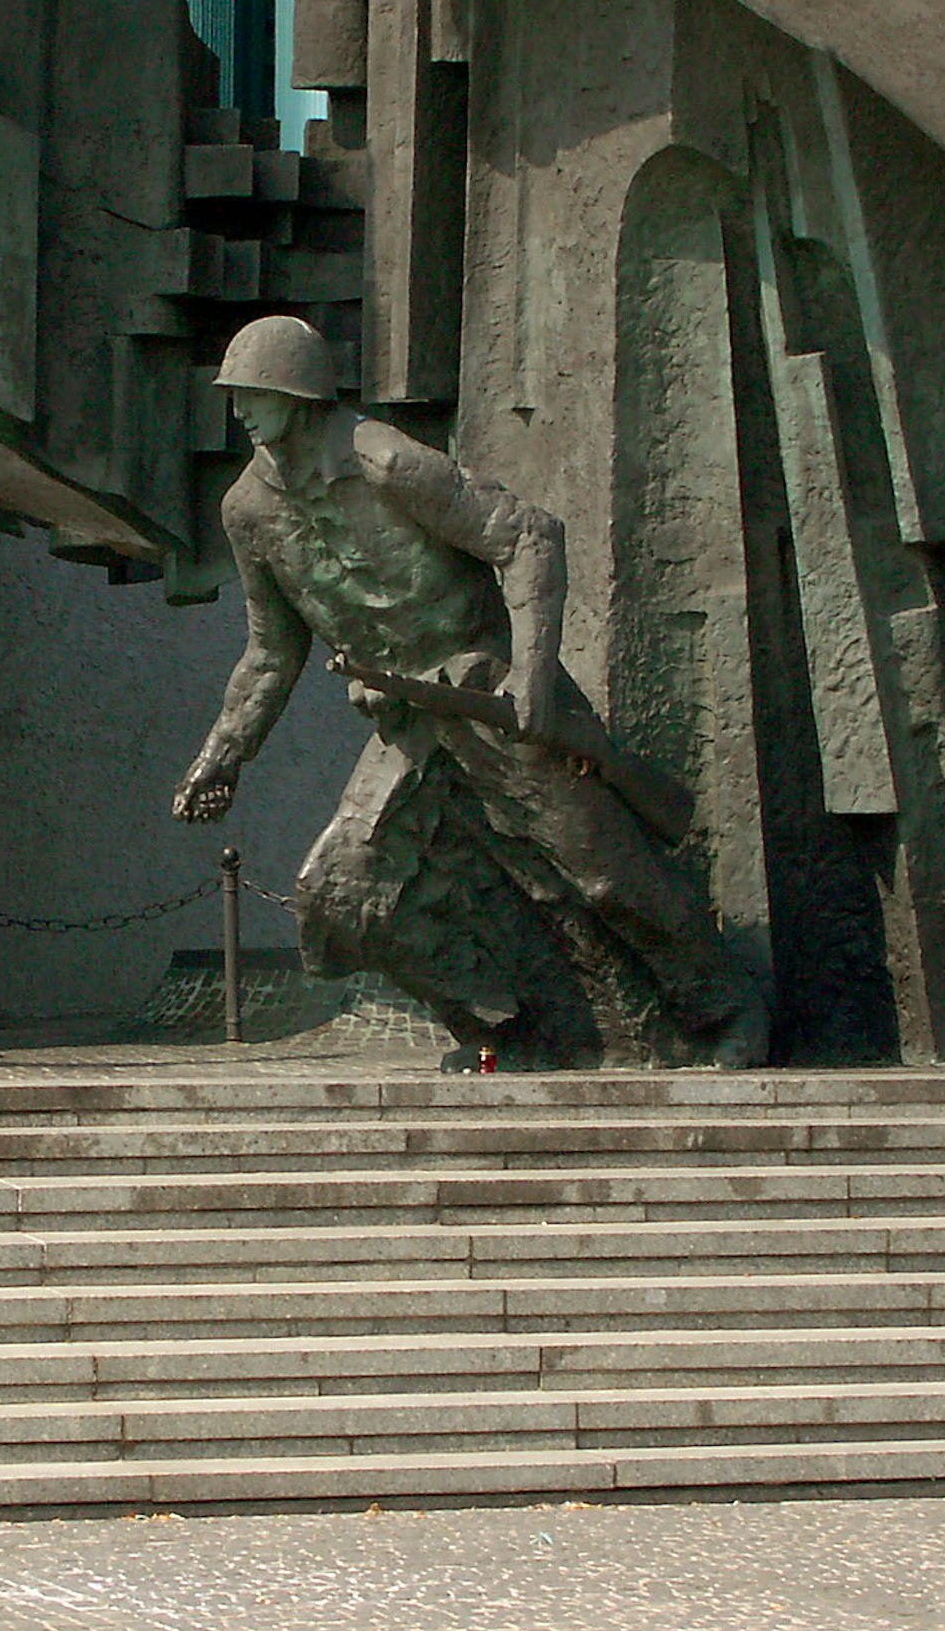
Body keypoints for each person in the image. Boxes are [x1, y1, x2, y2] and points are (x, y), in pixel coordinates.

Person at [172, 315, 766, 1068]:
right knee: (340, 892)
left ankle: (728, 1007)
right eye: (236, 394)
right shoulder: (247, 511)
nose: (241, 410)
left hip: (487, 692)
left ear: (303, 395)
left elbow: (527, 537)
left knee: (609, 873)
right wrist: (221, 757)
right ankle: (507, 1031)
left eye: (256, 392)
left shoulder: (385, 462)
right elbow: (270, 651)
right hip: (408, 724)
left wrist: (534, 675)